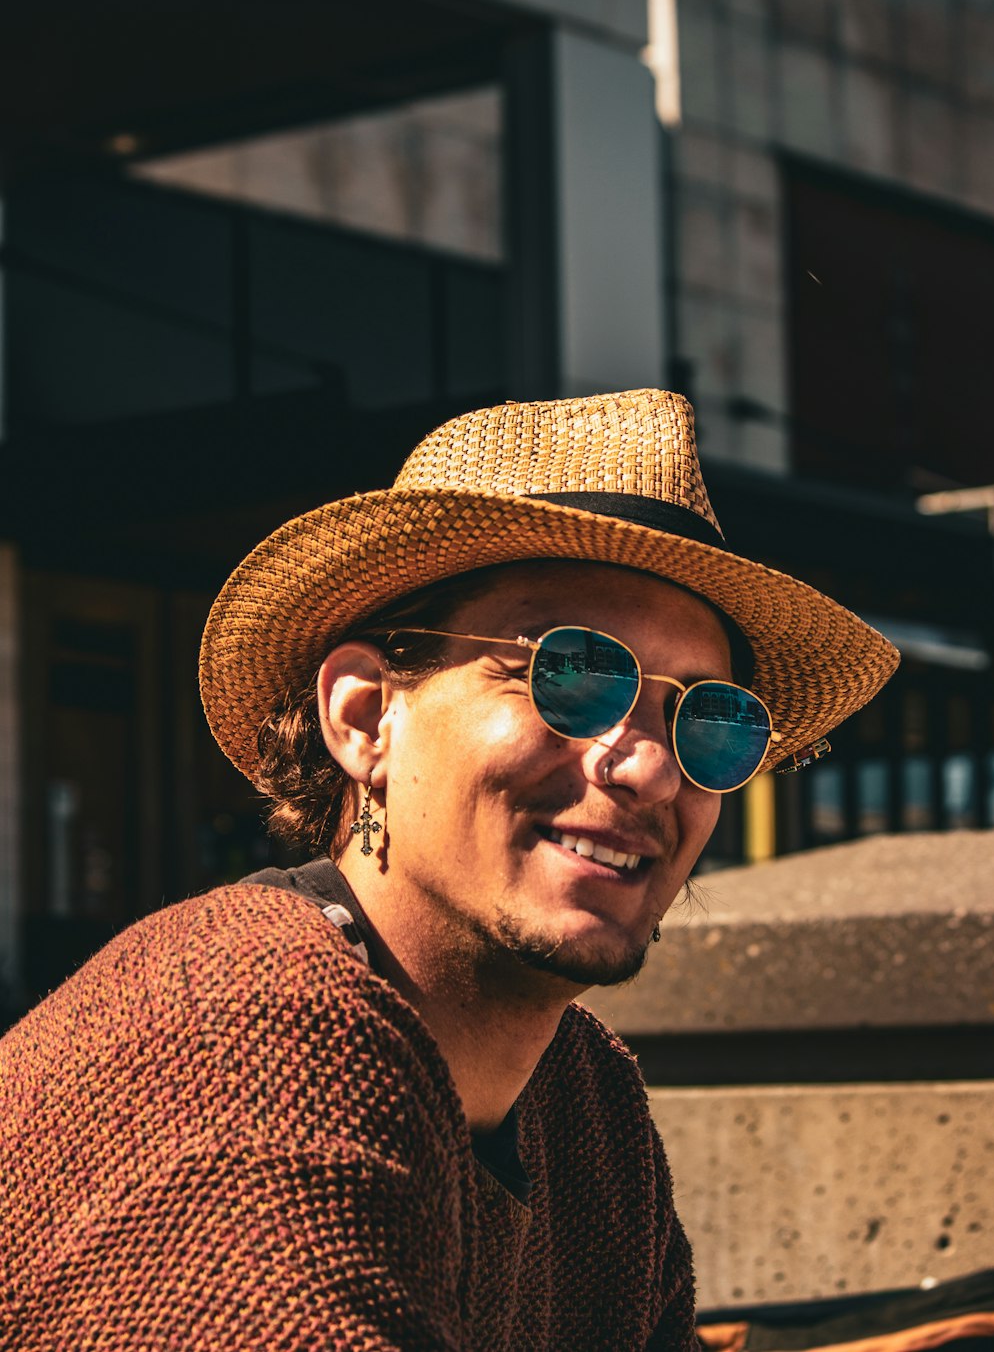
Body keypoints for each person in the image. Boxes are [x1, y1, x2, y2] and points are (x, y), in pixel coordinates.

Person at [0, 389, 898, 1350]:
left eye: (709, 722)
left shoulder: (586, 1106)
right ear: (362, 717)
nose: (648, 767)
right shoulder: (239, 1030)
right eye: (573, 676)